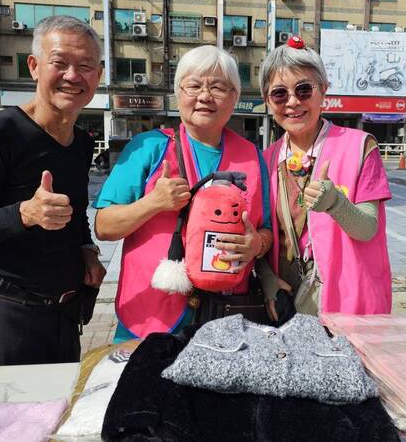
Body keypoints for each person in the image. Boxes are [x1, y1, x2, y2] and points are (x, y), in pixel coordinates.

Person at [0, 16, 106, 365]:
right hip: (4, 312)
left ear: (99, 74)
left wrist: (87, 249)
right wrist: (25, 213)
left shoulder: (82, 142)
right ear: (34, 66)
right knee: (1, 419)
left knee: (62, 414)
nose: (72, 76)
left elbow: (74, 213)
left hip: (64, 313)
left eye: (85, 66)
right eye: (59, 63)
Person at [93, 45, 273, 342]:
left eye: (218, 87)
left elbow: (266, 230)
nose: (204, 96)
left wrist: (256, 245)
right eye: (194, 85)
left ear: (235, 98)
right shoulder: (148, 148)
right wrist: (153, 203)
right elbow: (104, 227)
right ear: (178, 93)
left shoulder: (253, 158)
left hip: (225, 315)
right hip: (151, 315)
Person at [259, 36, 392, 321]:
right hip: (287, 303)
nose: (292, 102)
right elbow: (262, 236)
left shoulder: (360, 147)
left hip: (351, 303)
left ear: (323, 92)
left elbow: (368, 227)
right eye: (280, 93)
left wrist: (335, 202)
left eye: (304, 90)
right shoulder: (265, 160)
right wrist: (268, 281)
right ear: (268, 101)